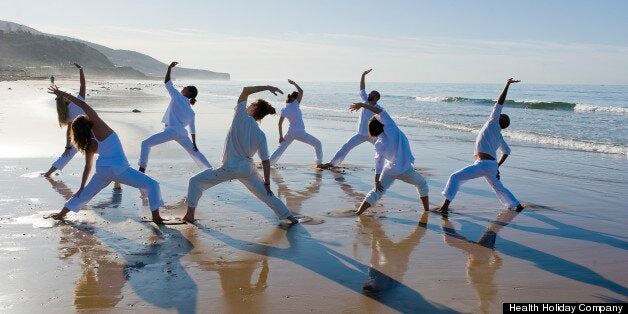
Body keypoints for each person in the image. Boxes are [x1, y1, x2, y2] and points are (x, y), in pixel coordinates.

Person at [46, 85, 166, 223]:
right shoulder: (100, 127)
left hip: (103, 171)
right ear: (87, 121)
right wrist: (60, 92)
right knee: (152, 185)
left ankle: (61, 214)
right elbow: (83, 104)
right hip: (120, 169)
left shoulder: (88, 142)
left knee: (85, 194)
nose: (86, 115)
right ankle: (156, 217)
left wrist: (81, 187)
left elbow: (88, 167)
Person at [182, 85, 299, 225]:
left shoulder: (240, 116)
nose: (248, 105)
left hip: (231, 167)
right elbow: (266, 162)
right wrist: (267, 183)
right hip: (248, 169)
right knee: (267, 195)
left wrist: (268, 87)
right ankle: (290, 217)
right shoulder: (261, 134)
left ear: (254, 108)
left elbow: (245, 90)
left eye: (251, 104)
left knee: (195, 181)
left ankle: (189, 215)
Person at [438, 78, 524, 216]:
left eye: (501, 115)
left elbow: (500, 102)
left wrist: (507, 85)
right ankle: (517, 206)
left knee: (455, 177)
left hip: (484, 164)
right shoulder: (499, 135)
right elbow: (507, 152)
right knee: (499, 188)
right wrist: (497, 166)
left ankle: (444, 207)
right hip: (490, 165)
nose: (499, 113)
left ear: (500, 120)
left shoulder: (493, 122)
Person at [349, 102, 429, 215]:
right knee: (422, 184)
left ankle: (359, 212)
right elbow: (380, 111)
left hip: (389, 170)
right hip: (405, 169)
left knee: (377, 192)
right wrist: (363, 104)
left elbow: (379, 163)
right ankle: (427, 210)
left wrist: (376, 181)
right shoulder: (392, 129)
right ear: (383, 123)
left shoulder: (378, 143)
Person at [138, 62, 212, 173]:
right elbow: (192, 129)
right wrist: (194, 144)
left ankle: (141, 170)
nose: (184, 87)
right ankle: (210, 170)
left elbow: (167, 83)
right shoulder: (191, 112)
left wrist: (169, 68)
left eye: (186, 87)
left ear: (189, 92)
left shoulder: (178, 97)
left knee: (145, 143)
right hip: (182, 133)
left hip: (171, 130)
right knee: (195, 152)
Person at [324, 69, 382, 168]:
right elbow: (362, 88)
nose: (368, 95)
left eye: (371, 94)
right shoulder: (366, 101)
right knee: (346, 146)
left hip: (372, 136)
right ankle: (332, 163)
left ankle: (394, 165)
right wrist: (363, 75)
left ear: (375, 98)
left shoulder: (378, 108)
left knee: (383, 150)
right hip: (360, 134)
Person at [269, 79, 325, 168]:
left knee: (281, 148)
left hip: (290, 132)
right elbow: (301, 91)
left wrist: (280, 136)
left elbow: (279, 124)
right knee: (318, 144)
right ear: (294, 99)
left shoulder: (284, 109)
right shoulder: (295, 104)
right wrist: (294, 83)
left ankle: (268, 163)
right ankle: (319, 163)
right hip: (300, 132)